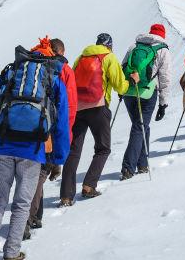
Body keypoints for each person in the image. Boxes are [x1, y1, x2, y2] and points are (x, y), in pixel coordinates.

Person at [0, 43, 71, 260]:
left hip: (0, 144)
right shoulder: (53, 79)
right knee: (22, 204)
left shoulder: (11, 73)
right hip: (32, 150)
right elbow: (62, 122)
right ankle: (11, 252)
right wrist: (57, 158)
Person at [59, 33, 137, 206]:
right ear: (109, 45)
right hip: (98, 107)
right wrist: (131, 82)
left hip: (78, 108)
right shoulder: (109, 57)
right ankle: (89, 186)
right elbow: (119, 85)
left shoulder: (81, 57)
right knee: (103, 148)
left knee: (73, 151)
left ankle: (66, 196)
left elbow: (71, 82)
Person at [24, 37, 76, 240]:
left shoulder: (30, 65)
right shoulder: (63, 70)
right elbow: (68, 111)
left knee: (34, 173)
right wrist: (62, 147)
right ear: (61, 52)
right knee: (38, 175)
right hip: (49, 132)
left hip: (24, 126)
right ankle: (26, 219)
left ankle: (36, 216)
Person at [119, 24, 171, 180]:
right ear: (162, 35)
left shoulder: (135, 45)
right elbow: (165, 78)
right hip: (147, 92)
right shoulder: (163, 49)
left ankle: (142, 164)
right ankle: (128, 168)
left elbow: (123, 66)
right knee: (139, 126)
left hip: (129, 91)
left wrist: (122, 90)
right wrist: (163, 103)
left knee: (142, 126)